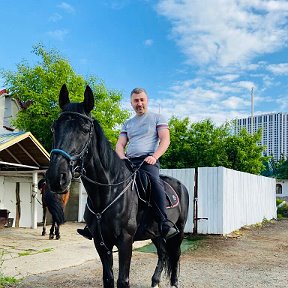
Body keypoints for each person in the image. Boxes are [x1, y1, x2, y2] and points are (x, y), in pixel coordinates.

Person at [77, 87, 178, 240]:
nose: (139, 103)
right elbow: (119, 145)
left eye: (142, 100)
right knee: (105, 182)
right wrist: (122, 157)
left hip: (148, 161)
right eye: (136, 101)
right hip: (128, 161)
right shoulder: (128, 123)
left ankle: (163, 222)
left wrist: (155, 157)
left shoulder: (158, 118)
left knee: (154, 182)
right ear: (131, 103)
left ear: (147, 100)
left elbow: (165, 140)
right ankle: (92, 223)